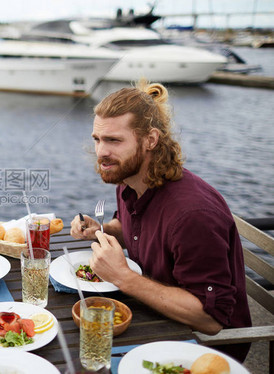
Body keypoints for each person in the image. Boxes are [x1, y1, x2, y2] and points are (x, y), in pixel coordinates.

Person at [70, 81, 251, 362]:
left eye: (114, 141)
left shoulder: (192, 215)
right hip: (153, 315)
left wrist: (123, 277)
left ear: (151, 140)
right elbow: (136, 230)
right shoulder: (129, 180)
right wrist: (102, 230)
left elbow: (211, 319)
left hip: (201, 349)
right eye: (97, 139)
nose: (101, 152)